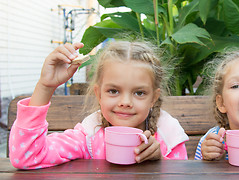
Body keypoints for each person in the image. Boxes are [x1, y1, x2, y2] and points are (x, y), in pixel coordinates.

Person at [9, 40, 189, 169]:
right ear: (99, 94)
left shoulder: (168, 137)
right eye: (113, 91)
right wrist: (45, 86)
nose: (125, 102)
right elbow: (28, 157)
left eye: (139, 93)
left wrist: (159, 161)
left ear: (153, 98)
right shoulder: (88, 137)